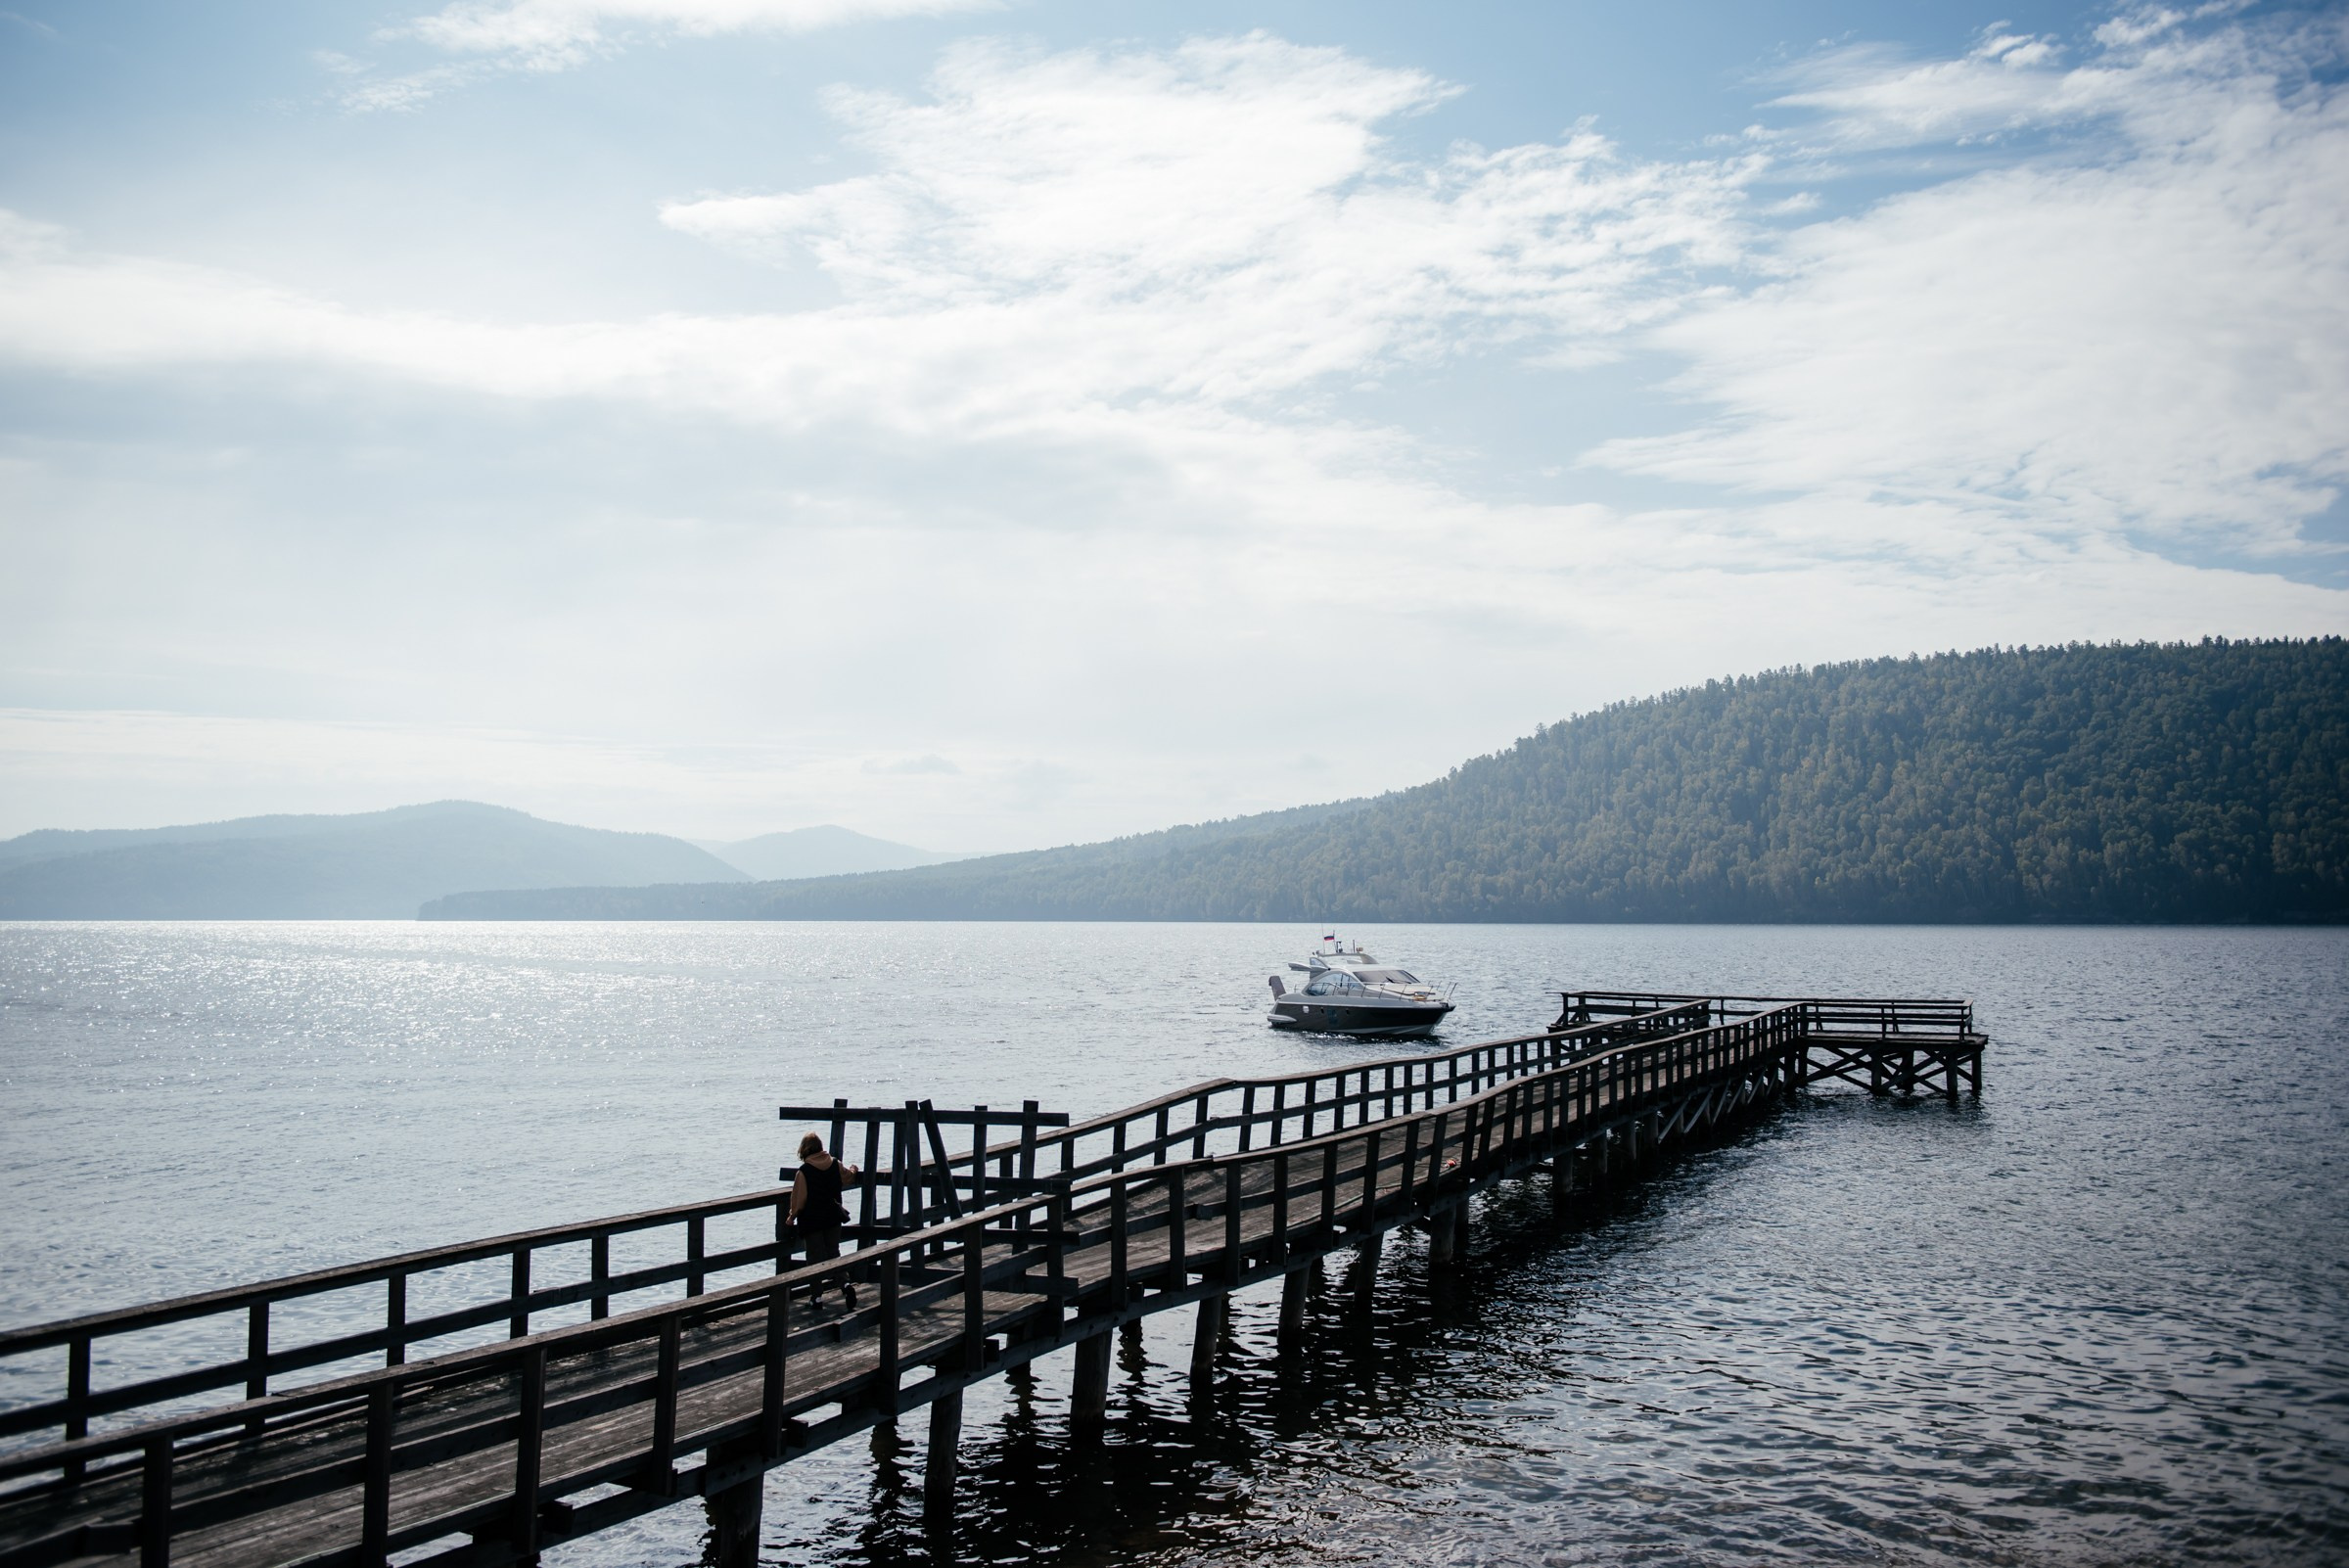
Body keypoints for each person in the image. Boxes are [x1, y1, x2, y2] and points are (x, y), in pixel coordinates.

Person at [789, 1132, 860, 1310]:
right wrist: (854, 1170)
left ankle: (817, 1297)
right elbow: (848, 1177)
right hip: (833, 1216)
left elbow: (799, 1200)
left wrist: (791, 1217)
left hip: (812, 1221)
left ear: (804, 1150)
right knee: (833, 1254)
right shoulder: (835, 1164)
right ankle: (845, 1285)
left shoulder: (804, 1171)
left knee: (814, 1258)